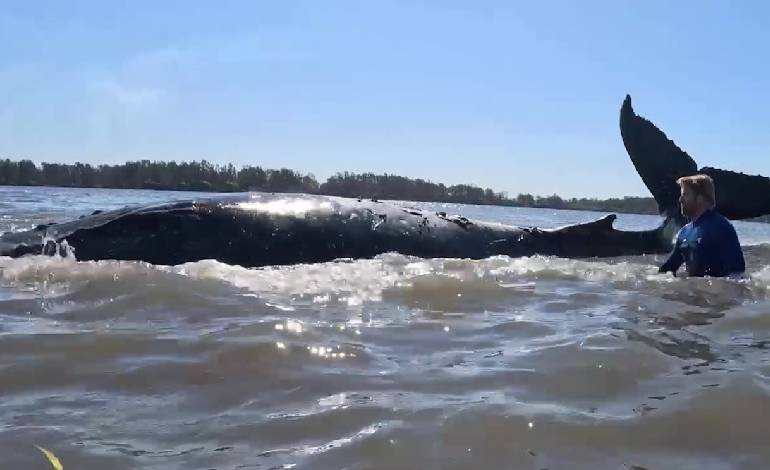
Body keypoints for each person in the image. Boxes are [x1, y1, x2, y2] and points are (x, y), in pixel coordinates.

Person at [659, 174, 745, 277]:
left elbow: (737, 273)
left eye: (685, 194)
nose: (680, 199)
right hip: (694, 286)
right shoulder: (684, 232)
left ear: (700, 198)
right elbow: (669, 268)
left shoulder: (721, 228)